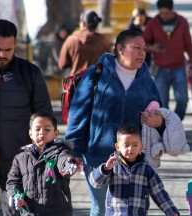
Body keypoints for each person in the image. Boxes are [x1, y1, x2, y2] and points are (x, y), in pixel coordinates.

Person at [64, 29, 164, 216]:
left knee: (127, 210)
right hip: (97, 156)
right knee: (100, 208)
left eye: (144, 48)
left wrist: (159, 121)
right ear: (119, 48)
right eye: (136, 47)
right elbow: (79, 112)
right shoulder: (97, 74)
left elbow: (160, 114)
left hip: (131, 160)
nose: (142, 53)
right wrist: (74, 149)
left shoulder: (147, 81)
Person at [0, 19, 53, 216]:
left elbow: (44, 115)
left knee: (18, 209)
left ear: (16, 44)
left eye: (9, 50)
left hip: (19, 158)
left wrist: (44, 152)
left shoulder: (30, 73)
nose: (3, 55)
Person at [89, 126, 180, 216]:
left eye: (135, 145)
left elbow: (158, 192)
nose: (130, 149)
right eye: (126, 145)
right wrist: (105, 169)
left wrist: (171, 211)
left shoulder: (146, 169)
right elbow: (95, 183)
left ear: (141, 147)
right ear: (117, 146)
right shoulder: (112, 166)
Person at [6, 112, 77, 216]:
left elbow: (64, 159)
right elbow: (13, 181)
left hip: (58, 212)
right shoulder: (20, 157)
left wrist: (68, 164)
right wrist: (15, 196)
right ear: (30, 133)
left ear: (56, 133)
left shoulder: (60, 151)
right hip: (30, 212)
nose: (41, 133)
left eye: (47, 129)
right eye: (37, 129)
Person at [143, 0, 192, 121]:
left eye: (166, 13)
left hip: (179, 67)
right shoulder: (153, 23)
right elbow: (144, 43)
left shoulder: (182, 22)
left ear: (172, 10)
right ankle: (166, 128)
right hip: (160, 68)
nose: (164, 16)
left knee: (182, 99)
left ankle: (175, 121)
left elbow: (188, 43)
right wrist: (152, 48)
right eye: (161, 13)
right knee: (162, 103)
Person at [59, 10, 112, 76]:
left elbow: (62, 65)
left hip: (77, 84)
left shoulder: (71, 40)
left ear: (83, 23)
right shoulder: (105, 42)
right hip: (98, 84)